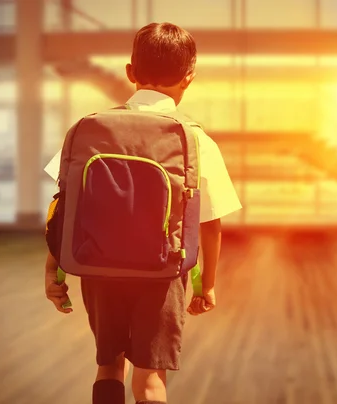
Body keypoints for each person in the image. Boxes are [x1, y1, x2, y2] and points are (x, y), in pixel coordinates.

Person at [43, 22, 242, 404]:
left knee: (108, 366)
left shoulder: (87, 129)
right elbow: (211, 223)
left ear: (130, 73)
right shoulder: (195, 138)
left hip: (99, 269)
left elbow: (63, 208)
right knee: (151, 381)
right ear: (189, 78)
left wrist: (54, 270)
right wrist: (207, 284)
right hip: (162, 276)